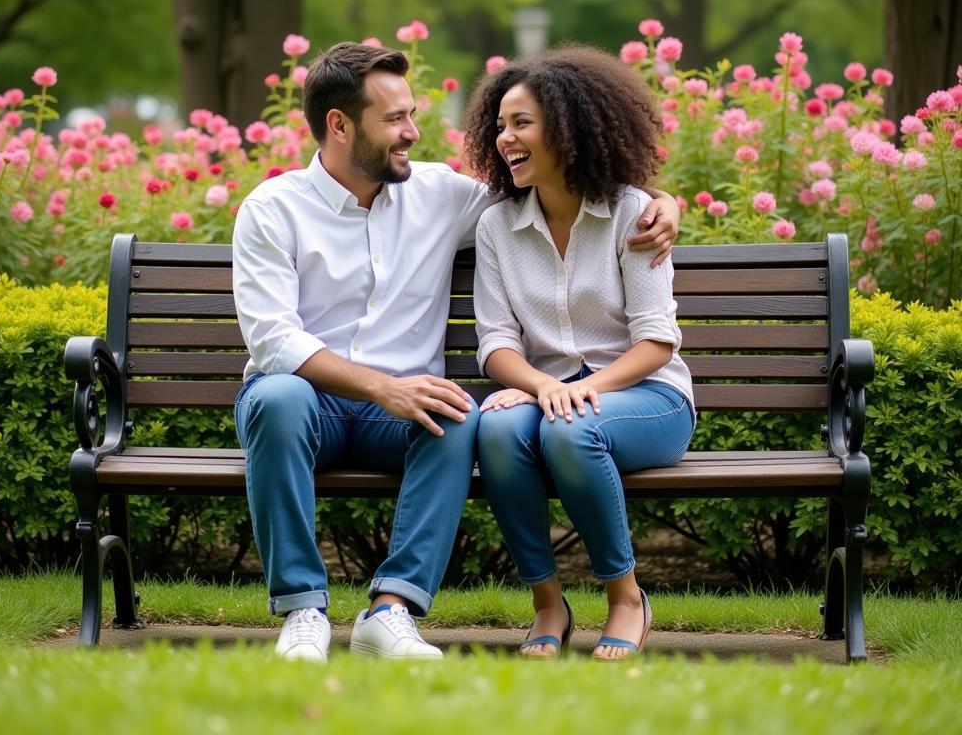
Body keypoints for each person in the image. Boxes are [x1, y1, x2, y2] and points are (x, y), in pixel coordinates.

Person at [231, 41, 681, 662]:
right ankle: (304, 610)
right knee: (277, 396)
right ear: (339, 125)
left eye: (411, 114)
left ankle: (391, 611)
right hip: (309, 406)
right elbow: (274, 342)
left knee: (456, 412)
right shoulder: (271, 211)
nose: (413, 133)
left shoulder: (441, 196)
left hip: (404, 412)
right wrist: (383, 386)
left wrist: (663, 200)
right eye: (394, 120)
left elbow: (558, 187)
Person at [464, 45, 696, 662]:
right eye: (500, 125)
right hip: (552, 393)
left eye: (522, 124)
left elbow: (656, 341)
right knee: (495, 426)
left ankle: (625, 596)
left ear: (566, 130)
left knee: (569, 432)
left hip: (650, 396)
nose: (504, 137)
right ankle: (548, 602)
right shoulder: (496, 226)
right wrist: (546, 388)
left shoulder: (633, 215)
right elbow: (497, 342)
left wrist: (580, 391)